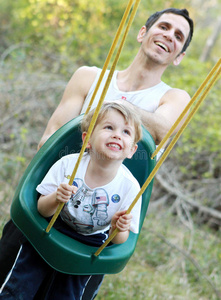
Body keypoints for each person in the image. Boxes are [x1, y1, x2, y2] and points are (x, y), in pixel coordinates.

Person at [0, 7, 194, 298]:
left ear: (179, 57)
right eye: (164, 26)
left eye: (179, 36)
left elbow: (162, 129)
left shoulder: (172, 97)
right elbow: (51, 139)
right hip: (51, 205)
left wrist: (113, 109)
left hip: (97, 230)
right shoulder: (90, 77)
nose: (169, 35)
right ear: (143, 32)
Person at [0, 101, 143, 299]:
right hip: (53, 225)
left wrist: (119, 227)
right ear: (87, 139)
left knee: (67, 294)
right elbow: (41, 209)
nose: (117, 135)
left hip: (92, 241)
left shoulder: (130, 187)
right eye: (109, 127)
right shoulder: (68, 165)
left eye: (126, 132)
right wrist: (56, 199)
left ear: (131, 150)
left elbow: (119, 240)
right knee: (19, 288)